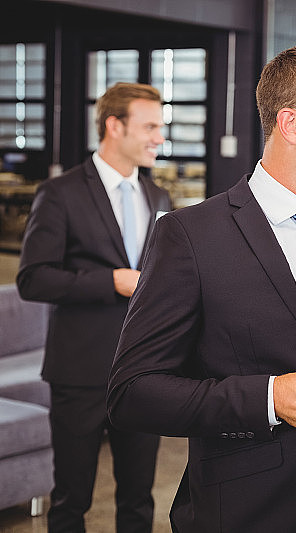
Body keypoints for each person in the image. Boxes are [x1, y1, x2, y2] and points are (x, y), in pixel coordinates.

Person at [106, 42, 296, 533]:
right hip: (241, 514)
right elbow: (133, 393)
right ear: (292, 125)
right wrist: (269, 398)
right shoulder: (190, 236)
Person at [16, 82, 171, 533]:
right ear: (114, 126)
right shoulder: (60, 192)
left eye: (160, 126)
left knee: (139, 498)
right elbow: (33, 278)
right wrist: (112, 281)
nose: (159, 137)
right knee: (71, 499)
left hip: (145, 374)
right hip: (79, 373)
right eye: (150, 126)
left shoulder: (157, 197)